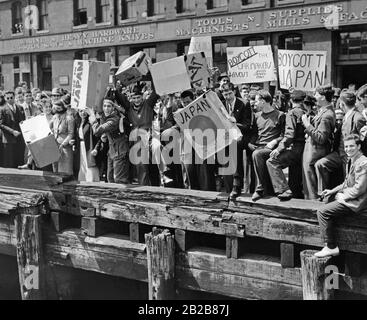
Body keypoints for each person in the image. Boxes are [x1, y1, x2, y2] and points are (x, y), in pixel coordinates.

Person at [314, 134, 367, 257]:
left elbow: (360, 188)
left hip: (358, 202)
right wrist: (332, 191)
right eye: (346, 146)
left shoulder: (363, 163)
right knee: (328, 199)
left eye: (352, 146)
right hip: (353, 198)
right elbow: (346, 183)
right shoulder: (353, 160)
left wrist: (344, 196)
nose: (348, 149)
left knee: (322, 212)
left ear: (359, 146)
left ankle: (331, 246)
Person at [315, 91, 365, 197]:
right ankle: (322, 194)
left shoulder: (358, 117)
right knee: (321, 164)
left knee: (349, 182)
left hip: (351, 156)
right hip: (340, 153)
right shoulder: (346, 115)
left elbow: (363, 141)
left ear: (342, 103)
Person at [266, 90, 307, 200]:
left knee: (272, 161)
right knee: (295, 172)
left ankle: (283, 190)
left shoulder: (292, 113)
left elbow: (289, 135)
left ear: (291, 100)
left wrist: (279, 149)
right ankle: (296, 194)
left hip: (295, 147)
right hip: (305, 148)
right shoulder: (306, 112)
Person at [249, 90, 286, 201]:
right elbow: (255, 133)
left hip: (272, 148)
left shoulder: (280, 115)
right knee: (255, 153)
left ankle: (260, 188)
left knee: (257, 154)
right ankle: (264, 189)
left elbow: (284, 135)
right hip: (259, 146)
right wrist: (250, 142)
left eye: (256, 101)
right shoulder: (256, 116)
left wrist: (275, 141)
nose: (255, 103)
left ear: (263, 101)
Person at [302, 85, 336, 200]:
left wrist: (307, 124)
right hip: (312, 151)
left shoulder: (327, 115)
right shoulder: (323, 111)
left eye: (316, 94)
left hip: (315, 153)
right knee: (309, 182)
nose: (315, 97)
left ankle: (313, 208)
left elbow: (321, 138)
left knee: (311, 184)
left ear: (323, 97)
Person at [221, 82, 253, 199]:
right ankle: (227, 184)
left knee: (235, 145)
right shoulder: (221, 105)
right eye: (225, 95)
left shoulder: (244, 104)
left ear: (234, 92)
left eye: (229, 94)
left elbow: (247, 125)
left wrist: (235, 123)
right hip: (226, 136)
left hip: (242, 135)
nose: (228, 97)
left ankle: (237, 184)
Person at [89, 98, 130, 184]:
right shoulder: (105, 117)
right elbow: (103, 134)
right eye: (104, 106)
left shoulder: (114, 119)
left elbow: (97, 131)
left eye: (109, 106)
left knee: (119, 180)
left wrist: (92, 116)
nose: (106, 108)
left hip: (120, 150)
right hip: (112, 150)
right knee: (110, 178)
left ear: (113, 108)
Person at [0, 91, 25, 168]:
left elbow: (23, 121)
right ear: (5, 98)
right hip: (9, 139)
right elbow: (1, 124)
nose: (10, 99)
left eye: (11, 97)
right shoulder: (2, 109)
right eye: (8, 98)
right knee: (9, 162)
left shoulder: (20, 107)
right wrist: (12, 131)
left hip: (20, 138)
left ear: (14, 97)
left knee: (19, 161)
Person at [50, 100, 75, 175]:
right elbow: (49, 128)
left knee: (65, 169)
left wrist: (63, 144)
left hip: (65, 146)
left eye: (58, 108)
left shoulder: (69, 118)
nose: (56, 110)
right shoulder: (54, 117)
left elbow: (71, 134)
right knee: (55, 168)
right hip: (55, 146)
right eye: (55, 109)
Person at [75, 108, 99, 182]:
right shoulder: (78, 122)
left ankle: (92, 181)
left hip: (89, 146)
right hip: (81, 147)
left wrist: (96, 148)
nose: (83, 113)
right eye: (81, 111)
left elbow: (97, 136)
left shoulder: (90, 121)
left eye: (84, 111)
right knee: (82, 164)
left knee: (90, 164)